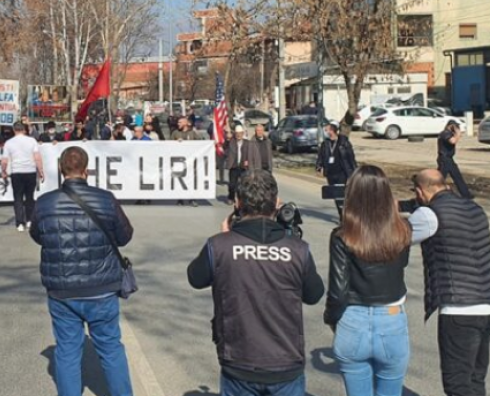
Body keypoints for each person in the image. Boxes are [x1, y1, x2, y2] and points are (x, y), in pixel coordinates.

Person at [188, 170, 324, 396]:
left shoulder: (219, 246)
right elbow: (314, 294)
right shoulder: (297, 249)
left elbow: (195, 277)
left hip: (239, 360)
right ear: (276, 203)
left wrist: (224, 236)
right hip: (285, 362)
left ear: (238, 203)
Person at [29, 146, 134, 396]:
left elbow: (37, 235)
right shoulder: (106, 199)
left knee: (66, 351)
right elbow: (125, 235)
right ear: (86, 170)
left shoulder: (44, 203)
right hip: (102, 287)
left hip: (62, 288)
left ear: (61, 170)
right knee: (110, 348)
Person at [325, 166, 412, 396]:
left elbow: (338, 291)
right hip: (391, 318)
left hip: (353, 318)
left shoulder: (342, 235)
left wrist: (332, 319)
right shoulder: (403, 230)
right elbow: (400, 266)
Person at [406, 169, 490, 396]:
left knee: (457, 384)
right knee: (475, 379)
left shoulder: (428, 214)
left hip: (458, 309)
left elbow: (395, 240)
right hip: (486, 304)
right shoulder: (475, 208)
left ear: (421, 191)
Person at [1, 123, 44, 232]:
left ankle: (20, 223)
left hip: (17, 172)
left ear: (14, 130)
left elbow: (4, 160)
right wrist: (41, 171)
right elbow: (37, 157)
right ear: (24, 130)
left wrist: (3, 171)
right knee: (30, 197)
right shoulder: (32, 141)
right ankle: (29, 220)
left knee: (18, 198)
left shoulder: (9, 143)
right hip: (30, 171)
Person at [316, 121, 357, 219]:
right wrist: (318, 166)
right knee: (335, 195)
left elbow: (351, 157)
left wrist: (354, 171)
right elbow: (321, 156)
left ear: (332, 130)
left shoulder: (343, 143)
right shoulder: (325, 143)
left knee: (341, 195)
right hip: (330, 174)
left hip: (341, 173)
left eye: (327, 129)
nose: (325, 131)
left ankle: (346, 216)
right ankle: (341, 214)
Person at [226, 125, 261, 204]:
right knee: (232, 185)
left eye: (240, 133)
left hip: (243, 167)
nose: (238, 135)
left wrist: (251, 164)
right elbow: (225, 143)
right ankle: (231, 197)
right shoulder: (231, 142)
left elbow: (252, 154)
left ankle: (241, 199)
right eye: (237, 133)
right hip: (234, 166)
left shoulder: (247, 143)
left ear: (243, 133)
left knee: (243, 185)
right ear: (235, 134)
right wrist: (227, 133)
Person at [437, 120, 471, 199]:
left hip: (449, 159)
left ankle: (466, 194)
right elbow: (453, 141)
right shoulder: (445, 133)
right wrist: (457, 133)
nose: (457, 128)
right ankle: (431, 191)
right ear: (450, 126)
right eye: (455, 126)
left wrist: (457, 134)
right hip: (444, 159)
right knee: (439, 178)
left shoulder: (448, 133)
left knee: (457, 176)